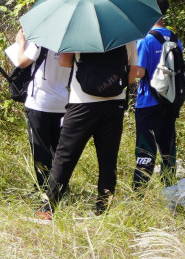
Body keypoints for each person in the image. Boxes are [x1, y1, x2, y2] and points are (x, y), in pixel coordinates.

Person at [40, 40, 143, 218]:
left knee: (64, 157)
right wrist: (111, 83)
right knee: (108, 161)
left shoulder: (79, 34)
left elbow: (63, 62)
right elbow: (133, 75)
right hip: (114, 105)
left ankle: (47, 210)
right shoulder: (126, 37)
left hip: (82, 103)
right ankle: (103, 211)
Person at [133, 0, 182, 188]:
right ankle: (170, 188)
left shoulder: (145, 39)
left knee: (145, 148)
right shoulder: (174, 38)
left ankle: (139, 191)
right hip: (169, 101)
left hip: (147, 102)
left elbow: (139, 73)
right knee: (168, 148)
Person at [13, 26, 68, 191]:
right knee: (60, 149)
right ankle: (59, 189)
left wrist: (21, 43)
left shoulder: (42, 39)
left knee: (40, 149)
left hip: (39, 102)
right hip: (64, 102)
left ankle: (43, 189)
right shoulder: (72, 41)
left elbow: (22, 62)